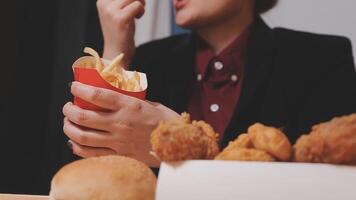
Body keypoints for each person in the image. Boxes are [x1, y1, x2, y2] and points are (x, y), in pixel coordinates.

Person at [62, 0, 356, 167]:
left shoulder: (319, 58)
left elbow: (332, 185)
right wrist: (115, 52)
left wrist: (188, 146)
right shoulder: (148, 62)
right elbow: (84, 177)